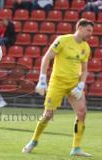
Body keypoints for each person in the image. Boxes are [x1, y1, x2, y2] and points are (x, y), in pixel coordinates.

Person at [22, 18, 93, 157]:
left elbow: (84, 70)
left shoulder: (86, 47)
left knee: (82, 113)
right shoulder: (63, 40)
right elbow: (46, 58)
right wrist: (42, 80)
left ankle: (76, 148)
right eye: (88, 30)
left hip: (73, 84)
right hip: (57, 83)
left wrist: (81, 85)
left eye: (92, 31)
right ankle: (34, 141)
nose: (91, 34)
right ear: (79, 28)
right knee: (48, 115)